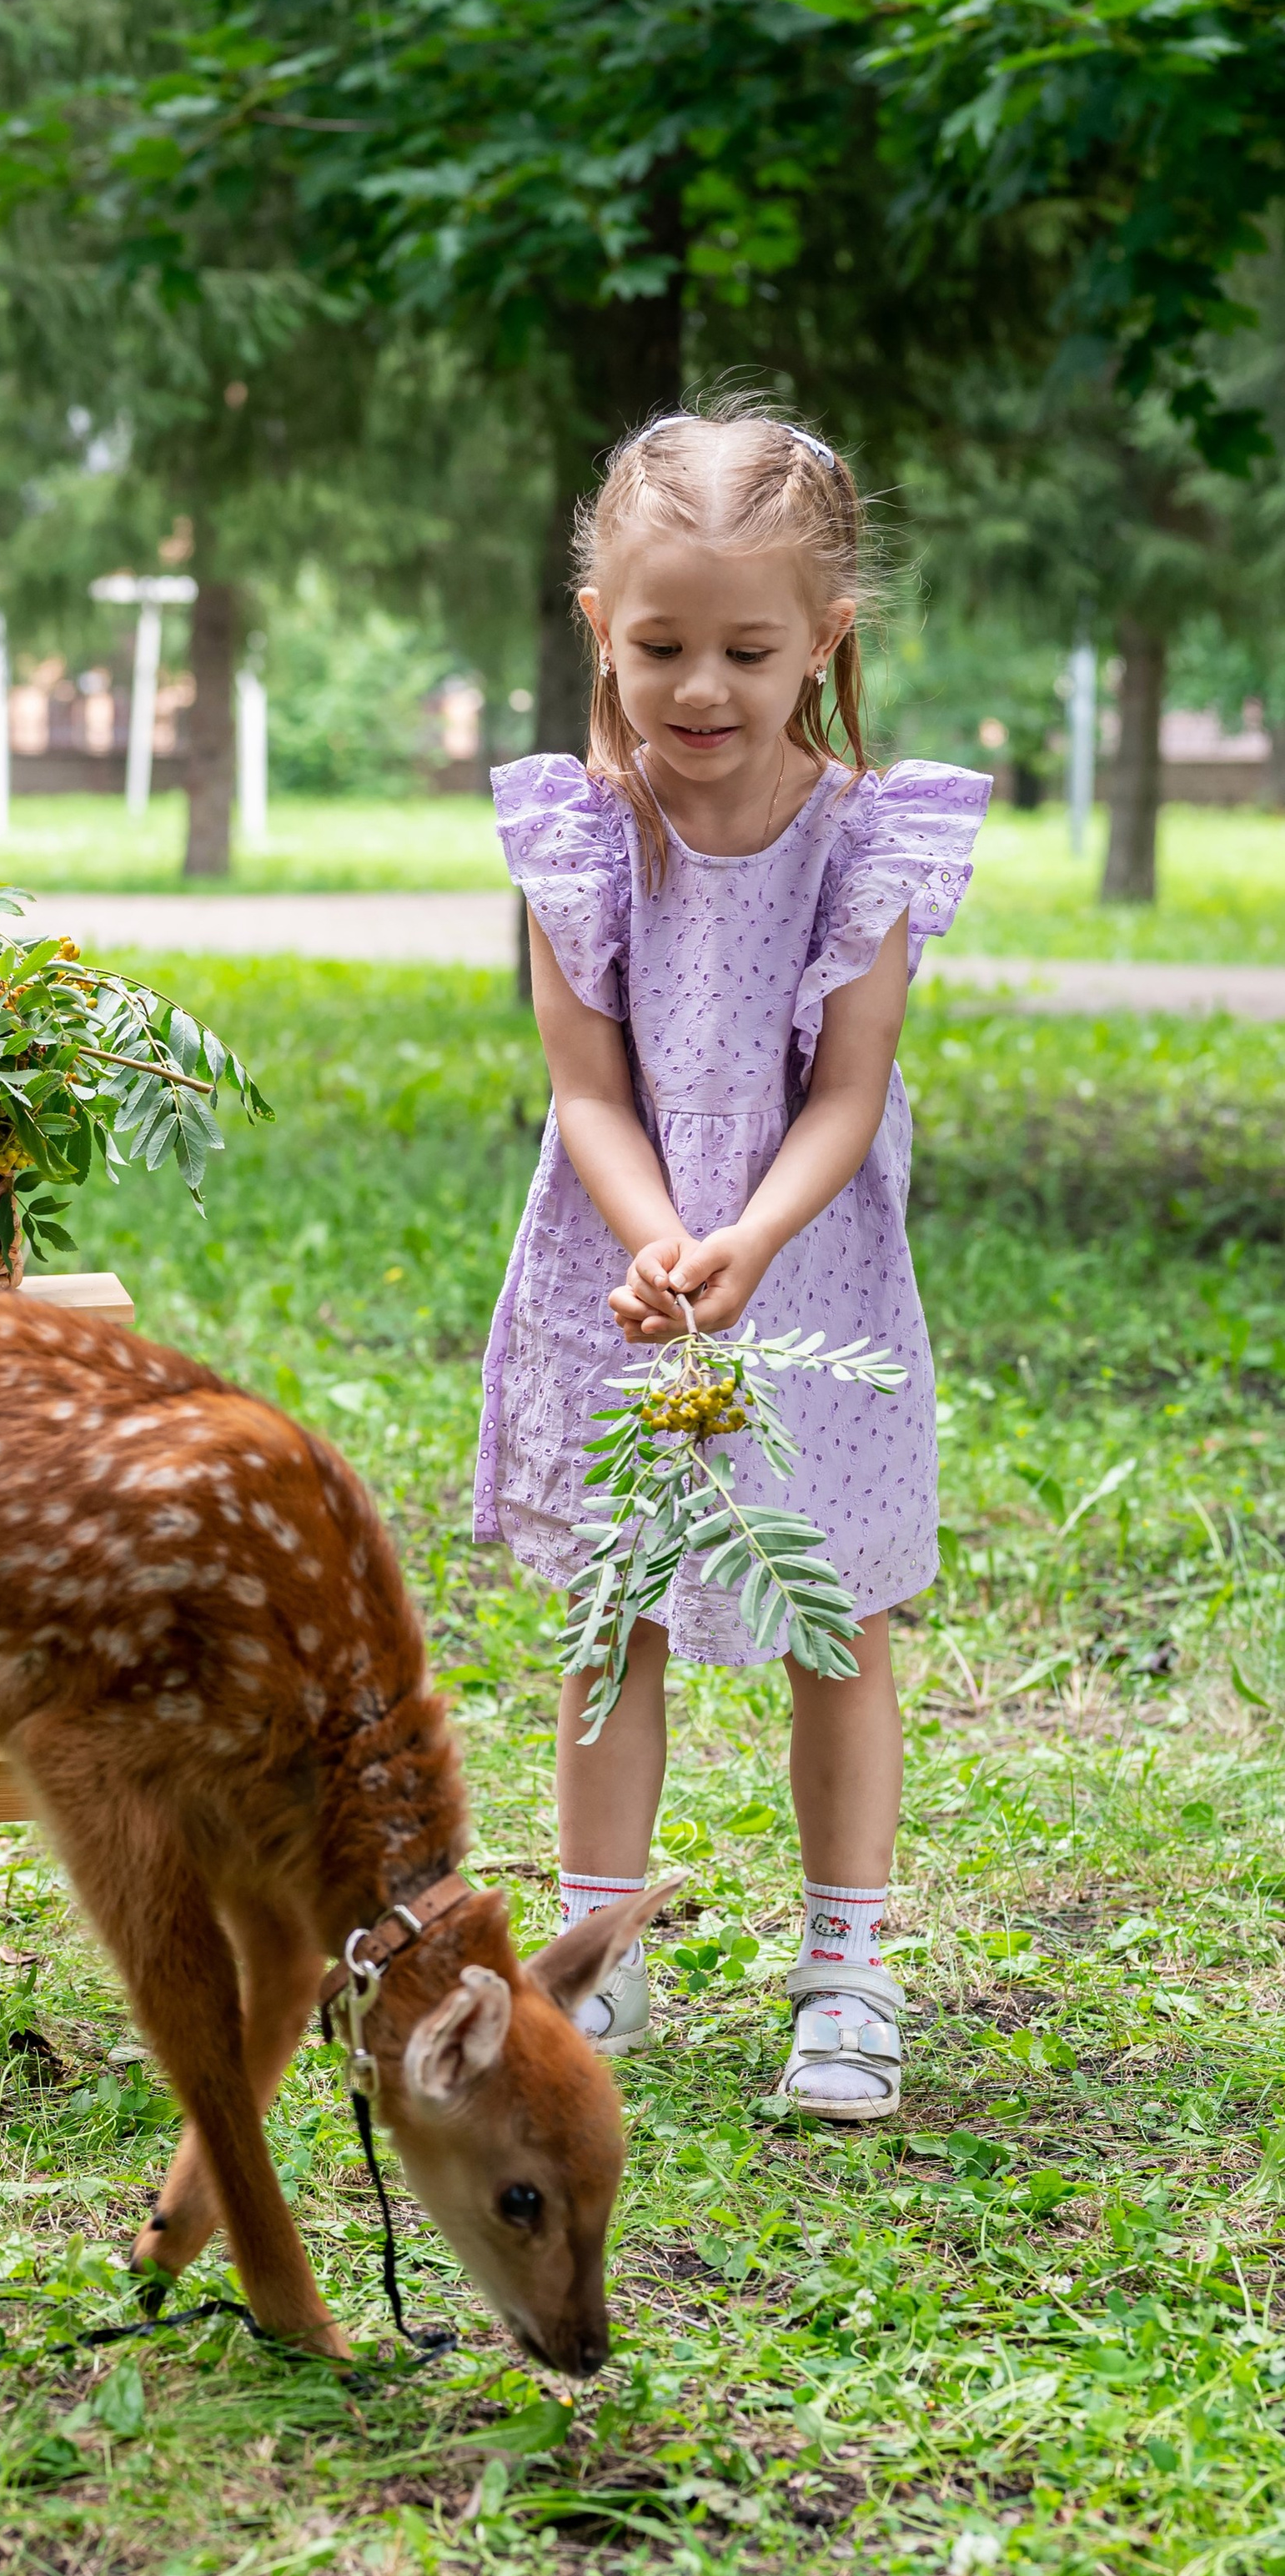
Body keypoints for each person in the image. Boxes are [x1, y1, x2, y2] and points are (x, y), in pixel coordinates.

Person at [474, 404, 989, 2123]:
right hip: (617, 1269)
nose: (699, 689)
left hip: (809, 1268)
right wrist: (655, 1247)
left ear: (821, 642)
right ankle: (592, 1961)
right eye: (660, 647)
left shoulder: (866, 843)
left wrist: (749, 1241)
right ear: (596, 631)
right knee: (611, 1609)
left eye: (746, 652)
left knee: (826, 1615)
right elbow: (582, 1084)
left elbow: (845, 1092)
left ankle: (843, 1968)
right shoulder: (580, 841)